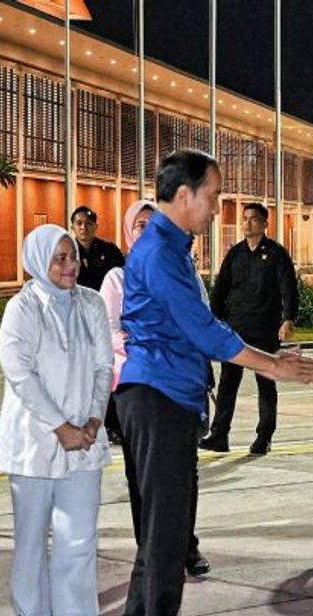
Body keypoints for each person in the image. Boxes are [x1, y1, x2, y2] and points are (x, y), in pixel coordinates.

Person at [99, 149, 313, 616]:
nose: (219, 207)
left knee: (163, 527)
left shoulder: (172, 249)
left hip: (167, 396)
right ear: (184, 195)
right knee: (168, 532)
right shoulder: (158, 252)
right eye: (214, 195)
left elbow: (199, 326)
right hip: (155, 398)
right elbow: (205, 331)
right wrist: (272, 365)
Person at [0, 224, 112, 616]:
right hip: (35, 440)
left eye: (73, 256)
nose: (69, 265)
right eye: (59, 258)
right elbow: (20, 373)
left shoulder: (92, 303)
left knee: (79, 532)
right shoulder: (22, 308)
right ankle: (32, 610)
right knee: (32, 531)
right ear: (39, 260)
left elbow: (102, 366)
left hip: (85, 437)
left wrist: (94, 419)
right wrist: (61, 427)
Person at [99, 199, 210, 578]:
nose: (147, 232)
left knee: (185, 471)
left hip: (181, 385)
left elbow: (203, 323)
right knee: (142, 472)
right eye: (140, 225)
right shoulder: (117, 278)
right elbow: (109, 331)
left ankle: (185, 546)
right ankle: (150, 550)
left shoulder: (185, 275)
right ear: (129, 235)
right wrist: (149, 345)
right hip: (140, 386)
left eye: (154, 224)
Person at [200, 202, 299, 455]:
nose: (247, 223)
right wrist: (215, 321)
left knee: (265, 384)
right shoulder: (235, 254)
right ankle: (219, 435)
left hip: (264, 330)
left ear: (265, 224)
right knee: (228, 383)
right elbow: (220, 289)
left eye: (254, 219)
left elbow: (289, 289)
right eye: (245, 219)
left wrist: (288, 319)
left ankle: (263, 437)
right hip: (235, 330)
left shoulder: (276, 254)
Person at [70, 205, 125, 291]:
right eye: (79, 223)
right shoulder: (68, 252)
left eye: (88, 223)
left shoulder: (110, 250)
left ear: (96, 226)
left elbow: (121, 275)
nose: (83, 228)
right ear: (72, 227)